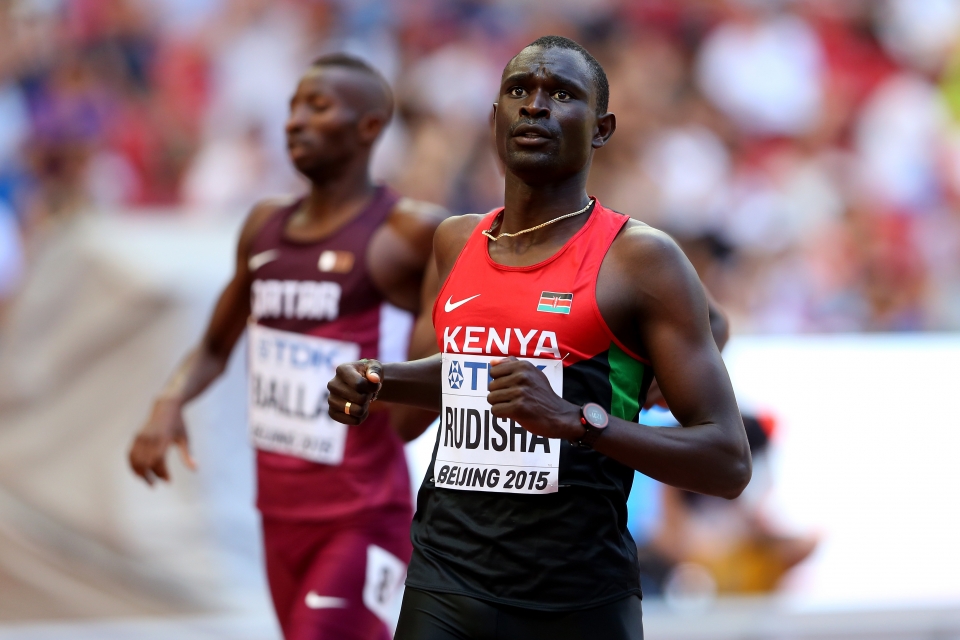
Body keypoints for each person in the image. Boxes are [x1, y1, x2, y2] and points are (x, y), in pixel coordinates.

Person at [326, 36, 752, 639]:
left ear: (601, 129)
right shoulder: (455, 241)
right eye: (519, 91)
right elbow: (457, 382)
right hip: (445, 580)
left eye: (562, 94)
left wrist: (580, 419)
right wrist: (377, 379)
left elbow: (728, 462)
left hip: (576, 598)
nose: (536, 106)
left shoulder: (640, 259)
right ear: (494, 117)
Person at [128, 54, 446, 640]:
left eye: (317, 107)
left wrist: (397, 392)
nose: (294, 122)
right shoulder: (264, 227)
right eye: (293, 107)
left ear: (369, 126)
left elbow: (430, 387)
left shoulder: (407, 232)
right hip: (278, 514)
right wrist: (167, 403)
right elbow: (215, 345)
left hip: (363, 514)